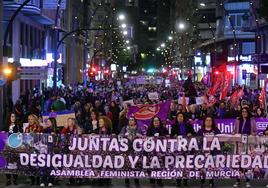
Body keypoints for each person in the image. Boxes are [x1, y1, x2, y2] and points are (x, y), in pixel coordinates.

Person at [233, 107, 257, 188]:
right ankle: (238, 181)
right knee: (239, 163)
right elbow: (234, 131)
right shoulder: (238, 120)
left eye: (245, 111)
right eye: (242, 111)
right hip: (239, 144)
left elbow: (255, 131)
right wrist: (234, 134)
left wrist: (252, 135)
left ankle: (248, 181)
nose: (244, 112)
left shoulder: (252, 120)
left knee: (247, 162)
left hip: (248, 144)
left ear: (248, 112)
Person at [171, 112, 196, 187]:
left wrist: (190, 134)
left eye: (181, 116)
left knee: (186, 165)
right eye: (178, 116)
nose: (180, 118)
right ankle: (178, 181)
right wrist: (174, 136)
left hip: (187, 147)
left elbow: (194, 133)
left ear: (183, 117)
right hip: (178, 148)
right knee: (178, 165)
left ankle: (185, 181)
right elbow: (171, 135)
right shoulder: (174, 126)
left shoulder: (188, 125)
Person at [197, 115, 221, 188]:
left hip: (213, 152)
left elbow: (220, 140)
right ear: (204, 121)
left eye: (210, 120)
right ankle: (202, 182)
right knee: (203, 168)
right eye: (207, 120)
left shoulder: (216, 130)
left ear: (212, 121)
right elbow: (198, 141)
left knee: (211, 168)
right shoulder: (201, 130)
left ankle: (211, 182)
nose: (208, 122)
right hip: (203, 152)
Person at [120, 116, 142, 187]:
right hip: (127, 150)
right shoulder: (124, 128)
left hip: (135, 150)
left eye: (132, 120)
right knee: (127, 166)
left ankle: (137, 181)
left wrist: (139, 136)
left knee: (135, 165)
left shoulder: (138, 128)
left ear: (135, 121)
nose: (131, 121)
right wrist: (123, 135)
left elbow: (142, 137)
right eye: (130, 120)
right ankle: (127, 182)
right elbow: (120, 136)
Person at [147, 116, 168, 186]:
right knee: (151, 165)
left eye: (157, 121)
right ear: (153, 122)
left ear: (160, 122)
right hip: (151, 151)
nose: (156, 122)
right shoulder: (149, 129)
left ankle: (159, 180)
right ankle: (152, 180)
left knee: (160, 166)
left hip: (160, 151)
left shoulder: (164, 129)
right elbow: (146, 138)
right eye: (154, 121)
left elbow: (167, 137)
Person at [24, 114, 43, 186]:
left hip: (37, 149)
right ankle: (32, 179)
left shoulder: (39, 127)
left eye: (31, 119)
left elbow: (41, 137)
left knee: (37, 165)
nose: (30, 121)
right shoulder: (26, 128)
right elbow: (25, 138)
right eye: (28, 119)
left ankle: (38, 179)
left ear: (35, 119)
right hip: (29, 149)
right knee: (30, 165)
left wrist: (34, 134)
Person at [5, 113, 22, 186]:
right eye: (12, 116)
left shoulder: (18, 126)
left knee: (15, 162)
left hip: (15, 146)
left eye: (14, 116)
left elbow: (20, 136)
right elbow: (3, 135)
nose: (13, 118)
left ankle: (15, 179)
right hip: (7, 147)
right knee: (7, 163)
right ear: (9, 117)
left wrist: (19, 134)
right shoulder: (5, 126)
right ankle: (8, 179)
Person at [40, 118, 57, 187]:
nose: (47, 123)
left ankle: (51, 181)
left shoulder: (55, 130)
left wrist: (54, 135)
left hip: (51, 151)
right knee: (43, 166)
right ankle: (43, 181)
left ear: (52, 123)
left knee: (51, 167)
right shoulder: (44, 130)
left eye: (49, 122)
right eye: (47, 122)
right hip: (44, 151)